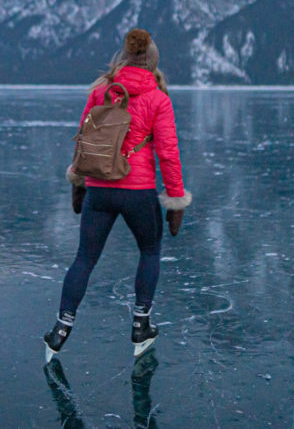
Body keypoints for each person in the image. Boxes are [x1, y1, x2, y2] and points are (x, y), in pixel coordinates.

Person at [45, 28, 191, 360]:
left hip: (99, 190)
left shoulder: (101, 93)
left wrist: (78, 184)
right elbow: (168, 154)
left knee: (85, 258)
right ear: (152, 64)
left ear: (123, 60)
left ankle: (61, 328)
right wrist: (175, 199)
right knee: (150, 252)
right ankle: (141, 325)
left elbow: (83, 140)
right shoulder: (158, 99)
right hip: (138, 192)